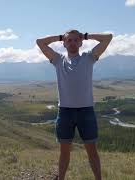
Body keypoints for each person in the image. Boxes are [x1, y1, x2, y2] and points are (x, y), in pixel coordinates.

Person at [36, 30, 113, 180]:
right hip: (65, 111)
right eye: (69, 40)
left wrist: (85, 35)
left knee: (92, 151)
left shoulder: (89, 57)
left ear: (81, 43)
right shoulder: (58, 60)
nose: (72, 43)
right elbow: (40, 42)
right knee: (64, 152)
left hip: (86, 111)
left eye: (75, 40)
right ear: (64, 43)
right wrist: (59, 37)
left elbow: (108, 38)